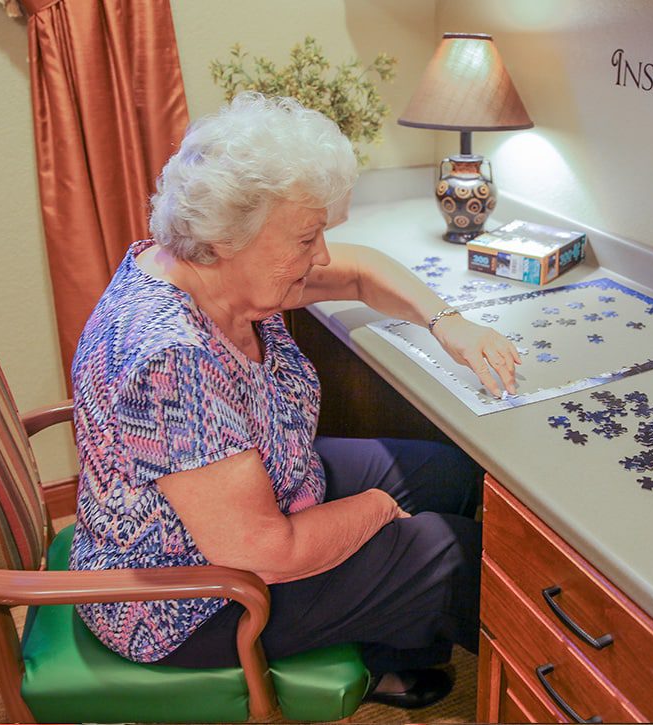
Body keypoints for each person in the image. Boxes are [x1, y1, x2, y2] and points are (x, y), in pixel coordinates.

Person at [68, 92, 521, 709]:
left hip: (263, 489)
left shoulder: (214, 272)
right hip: (190, 598)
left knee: (451, 474)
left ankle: (389, 654)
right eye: (307, 238)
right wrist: (375, 509)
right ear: (226, 237)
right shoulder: (171, 358)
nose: (322, 255)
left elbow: (361, 271)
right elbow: (267, 553)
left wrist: (450, 323)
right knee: (453, 556)